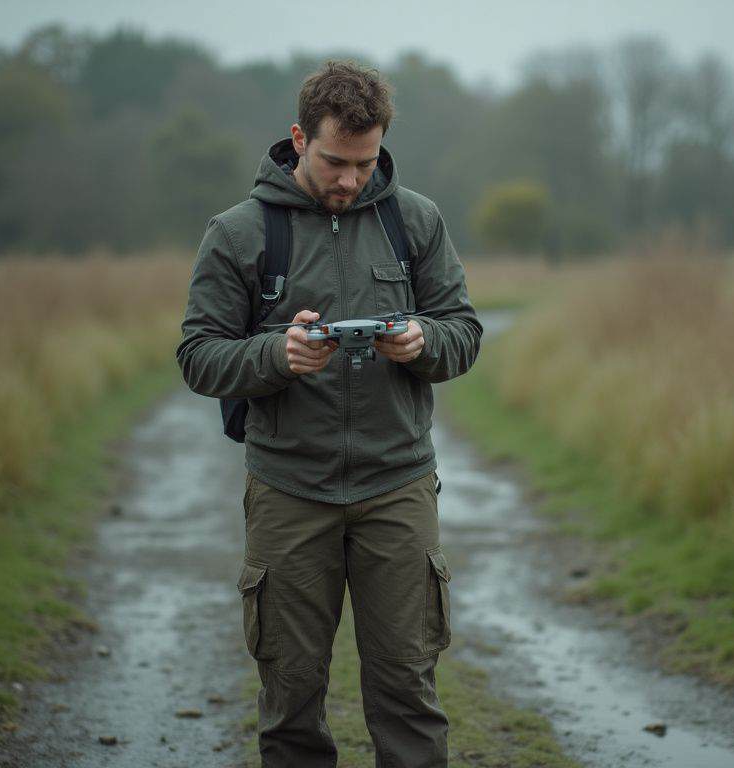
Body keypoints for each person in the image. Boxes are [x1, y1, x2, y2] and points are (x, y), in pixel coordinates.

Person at [175, 59, 483, 767]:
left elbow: (463, 332)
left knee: (409, 697)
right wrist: (276, 356)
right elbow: (197, 356)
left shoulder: (417, 221)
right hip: (289, 492)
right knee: (290, 701)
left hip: (398, 488)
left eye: (366, 162)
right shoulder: (237, 233)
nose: (350, 180)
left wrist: (420, 341)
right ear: (297, 138)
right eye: (335, 161)